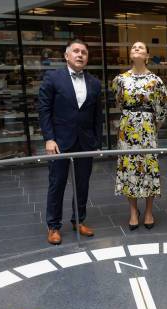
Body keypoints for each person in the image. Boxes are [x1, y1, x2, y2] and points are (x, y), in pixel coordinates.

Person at [39, 39, 103, 245]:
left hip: (85, 142)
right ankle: (53, 226)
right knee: (57, 184)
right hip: (59, 142)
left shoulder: (94, 82)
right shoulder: (52, 77)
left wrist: (97, 142)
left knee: (82, 184)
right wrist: (49, 138)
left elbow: (97, 115)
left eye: (84, 52)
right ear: (66, 56)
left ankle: (79, 220)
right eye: (75, 51)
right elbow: (44, 109)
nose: (80, 55)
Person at [112, 42, 167, 230]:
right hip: (127, 128)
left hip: (148, 128)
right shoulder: (120, 79)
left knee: (148, 168)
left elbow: (162, 108)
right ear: (130, 54)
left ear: (147, 55)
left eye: (141, 48)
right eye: (133, 47)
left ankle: (149, 211)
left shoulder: (155, 80)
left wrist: (151, 125)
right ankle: (133, 211)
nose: (136, 49)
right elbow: (119, 102)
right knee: (129, 169)